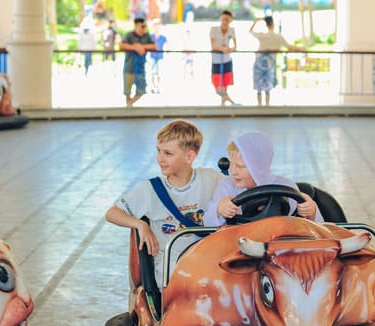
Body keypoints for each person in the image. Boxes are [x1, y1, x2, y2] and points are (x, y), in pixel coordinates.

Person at [105, 119, 224, 286]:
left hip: (208, 260)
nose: (160, 159)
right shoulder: (151, 189)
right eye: (159, 151)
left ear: (189, 156)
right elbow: (112, 213)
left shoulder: (211, 178)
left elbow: (239, 192)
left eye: (168, 154)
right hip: (171, 268)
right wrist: (140, 225)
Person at [204, 131, 324, 227]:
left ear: (259, 166)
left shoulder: (287, 187)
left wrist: (310, 210)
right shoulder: (227, 186)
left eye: (240, 166)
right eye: (230, 164)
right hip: (239, 247)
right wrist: (219, 209)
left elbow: (316, 228)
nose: (232, 171)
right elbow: (207, 224)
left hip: (279, 246)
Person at [249, 16, 303, 106]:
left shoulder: (262, 35)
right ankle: (267, 105)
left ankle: (259, 106)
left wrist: (256, 21)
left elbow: (250, 31)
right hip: (270, 63)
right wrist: (300, 48)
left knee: (259, 86)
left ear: (266, 25)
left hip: (259, 62)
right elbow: (289, 46)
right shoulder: (278, 37)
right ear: (273, 24)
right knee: (268, 87)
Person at [120, 18, 157, 106]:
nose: (144, 28)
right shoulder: (129, 35)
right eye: (142, 26)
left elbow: (154, 46)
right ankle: (129, 106)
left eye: (145, 26)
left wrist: (141, 46)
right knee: (127, 91)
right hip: (129, 67)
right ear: (136, 25)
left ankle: (130, 103)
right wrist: (135, 48)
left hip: (140, 69)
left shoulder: (146, 36)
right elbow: (122, 45)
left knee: (141, 89)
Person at [210, 10, 237, 106]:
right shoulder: (214, 29)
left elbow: (235, 47)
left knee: (225, 84)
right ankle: (228, 99)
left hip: (227, 60)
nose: (225, 21)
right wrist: (223, 49)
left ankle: (224, 102)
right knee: (217, 86)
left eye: (227, 19)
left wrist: (229, 49)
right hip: (216, 60)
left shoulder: (231, 30)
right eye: (223, 19)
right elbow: (213, 46)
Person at [150, 19, 167, 94]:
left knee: (159, 73)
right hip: (152, 56)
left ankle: (158, 87)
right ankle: (153, 87)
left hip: (160, 56)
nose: (156, 27)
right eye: (155, 26)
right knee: (153, 73)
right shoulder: (150, 36)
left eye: (158, 26)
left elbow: (167, 44)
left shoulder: (163, 37)